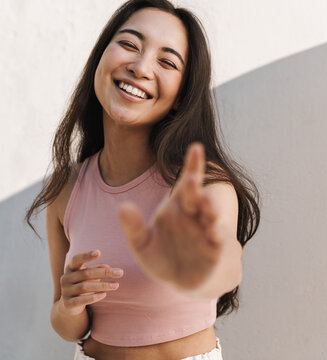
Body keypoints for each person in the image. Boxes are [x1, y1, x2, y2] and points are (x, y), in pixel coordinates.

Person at [25, 0, 260, 359]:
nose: (140, 67)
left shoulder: (206, 186)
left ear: (182, 96)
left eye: (166, 62)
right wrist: (70, 304)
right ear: (101, 60)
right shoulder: (66, 188)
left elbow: (223, 265)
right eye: (130, 45)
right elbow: (68, 325)